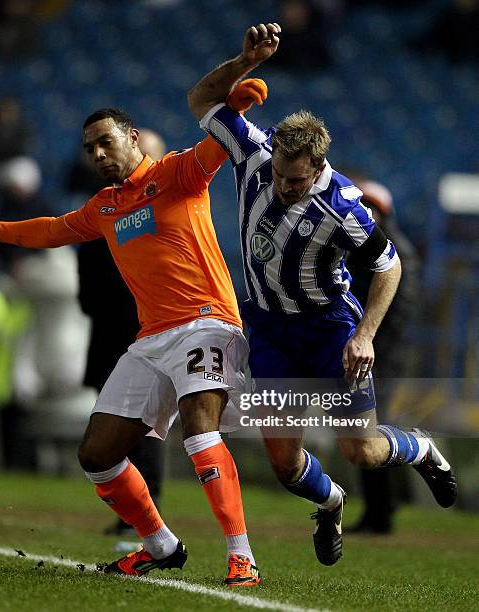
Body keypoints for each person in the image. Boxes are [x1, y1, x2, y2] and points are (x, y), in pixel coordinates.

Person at [0, 83, 266, 587]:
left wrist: (237, 105)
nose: (97, 154)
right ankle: (160, 545)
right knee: (96, 454)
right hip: (152, 338)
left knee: (201, 431)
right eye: (90, 148)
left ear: (132, 138)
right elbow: (48, 230)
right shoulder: (105, 207)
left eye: (105, 142)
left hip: (208, 320)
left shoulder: (176, 173)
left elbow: (218, 146)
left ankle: (241, 555)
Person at [188, 22, 457, 566]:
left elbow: (390, 266)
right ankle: (330, 503)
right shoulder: (254, 156)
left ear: (316, 167)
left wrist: (365, 335)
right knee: (286, 467)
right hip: (267, 327)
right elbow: (200, 98)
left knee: (360, 449)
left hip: (329, 329)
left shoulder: (345, 207)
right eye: (280, 176)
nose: (283, 186)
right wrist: (244, 63)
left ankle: (421, 447)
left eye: (295, 180)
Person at [76, 128, 167, 537]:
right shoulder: (102, 212)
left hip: (151, 336)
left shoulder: (171, 210)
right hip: (112, 335)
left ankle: (146, 516)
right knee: (114, 429)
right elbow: (88, 290)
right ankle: (132, 515)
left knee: (144, 430)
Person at [346, 178, 421, 534]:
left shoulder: (396, 255)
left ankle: (383, 511)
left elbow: (400, 313)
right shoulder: (360, 250)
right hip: (369, 353)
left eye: (370, 206)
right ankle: (379, 510)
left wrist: (374, 349)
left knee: (373, 429)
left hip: (383, 356)